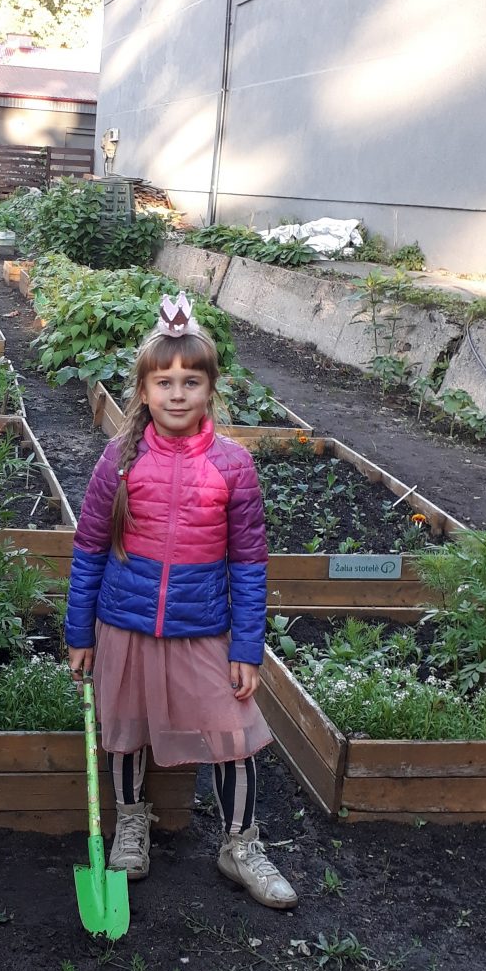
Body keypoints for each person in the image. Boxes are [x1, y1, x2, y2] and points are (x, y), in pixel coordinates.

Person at [65, 293, 297, 909]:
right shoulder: (119, 461)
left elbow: (249, 564)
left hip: (203, 629)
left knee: (233, 735)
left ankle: (240, 845)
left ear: (209, 390)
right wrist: (80, 631)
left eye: (190, 381)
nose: (176, 392)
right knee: (125, 731)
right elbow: (88, 548)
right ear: (143, 391)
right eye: (163, 381)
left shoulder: (234, 465)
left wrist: (247, 645)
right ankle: (133, 822)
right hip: (126, 624)